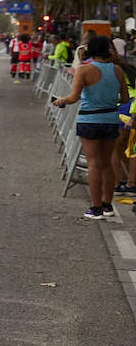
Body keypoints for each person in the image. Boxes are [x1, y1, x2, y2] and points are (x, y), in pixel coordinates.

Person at [53, 35, 129, 219]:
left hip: (89, 120)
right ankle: (107, 205)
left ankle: (95, 209)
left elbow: (73, 97)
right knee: (108, 163)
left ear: (90, 50)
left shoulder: (85, 70)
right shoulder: (117, 70)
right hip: (111, 119)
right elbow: (125, 99)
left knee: (93, 163)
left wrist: (60, 100)